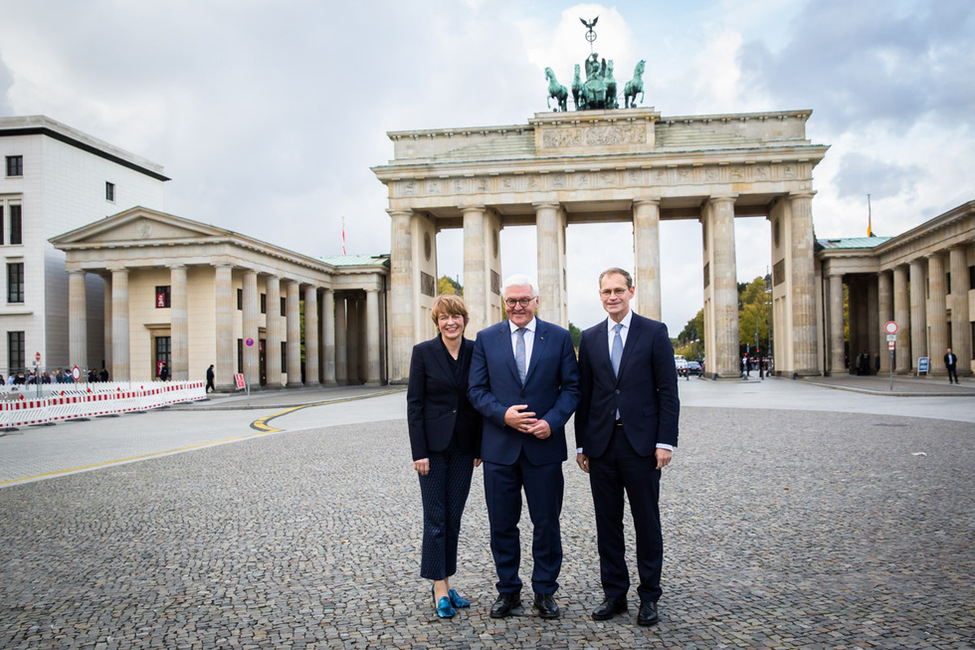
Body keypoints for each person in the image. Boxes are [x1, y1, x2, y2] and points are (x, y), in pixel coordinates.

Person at [467, 274, 580, 620]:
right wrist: (503, 416)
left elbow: (572, 388)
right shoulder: (486, 339)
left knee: (546, 523)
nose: (517, 306)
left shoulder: (559, 338)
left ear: (536, 301)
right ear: (505, 303)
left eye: (524, 300)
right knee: (502, 524)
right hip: (499, 448)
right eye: (511, 301)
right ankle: (508, 590)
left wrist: (552, 421)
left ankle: (545, 591)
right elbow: (476, 390)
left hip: (543, 447)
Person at [574, 267, 680, 626]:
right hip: (602, 445)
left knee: (646, 523)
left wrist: (665, 442)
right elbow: (584, 396)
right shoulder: (589, 339)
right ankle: (614, 594)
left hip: (642, 446)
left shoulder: (653, 332)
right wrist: (581, 445)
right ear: (599, 295)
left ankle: (649, 596)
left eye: (619, 290)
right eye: (606, 291)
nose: (612, 297)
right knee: (608, 523)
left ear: (631, 292)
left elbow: (668, 391)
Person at [407, 295, 482, 619]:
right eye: (444, 318)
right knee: (436, 519)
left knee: (453, 518)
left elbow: (480, 399)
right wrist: (419, 452)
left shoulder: (476, 350)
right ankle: (439, 587)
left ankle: (447, 581)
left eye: (456, 316)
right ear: (436, 322)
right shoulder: (423, 353)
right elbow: (415, 405)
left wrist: (480, 447)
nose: (450, 322)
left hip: (464, 448)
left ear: (464, 319)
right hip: (433, 451)